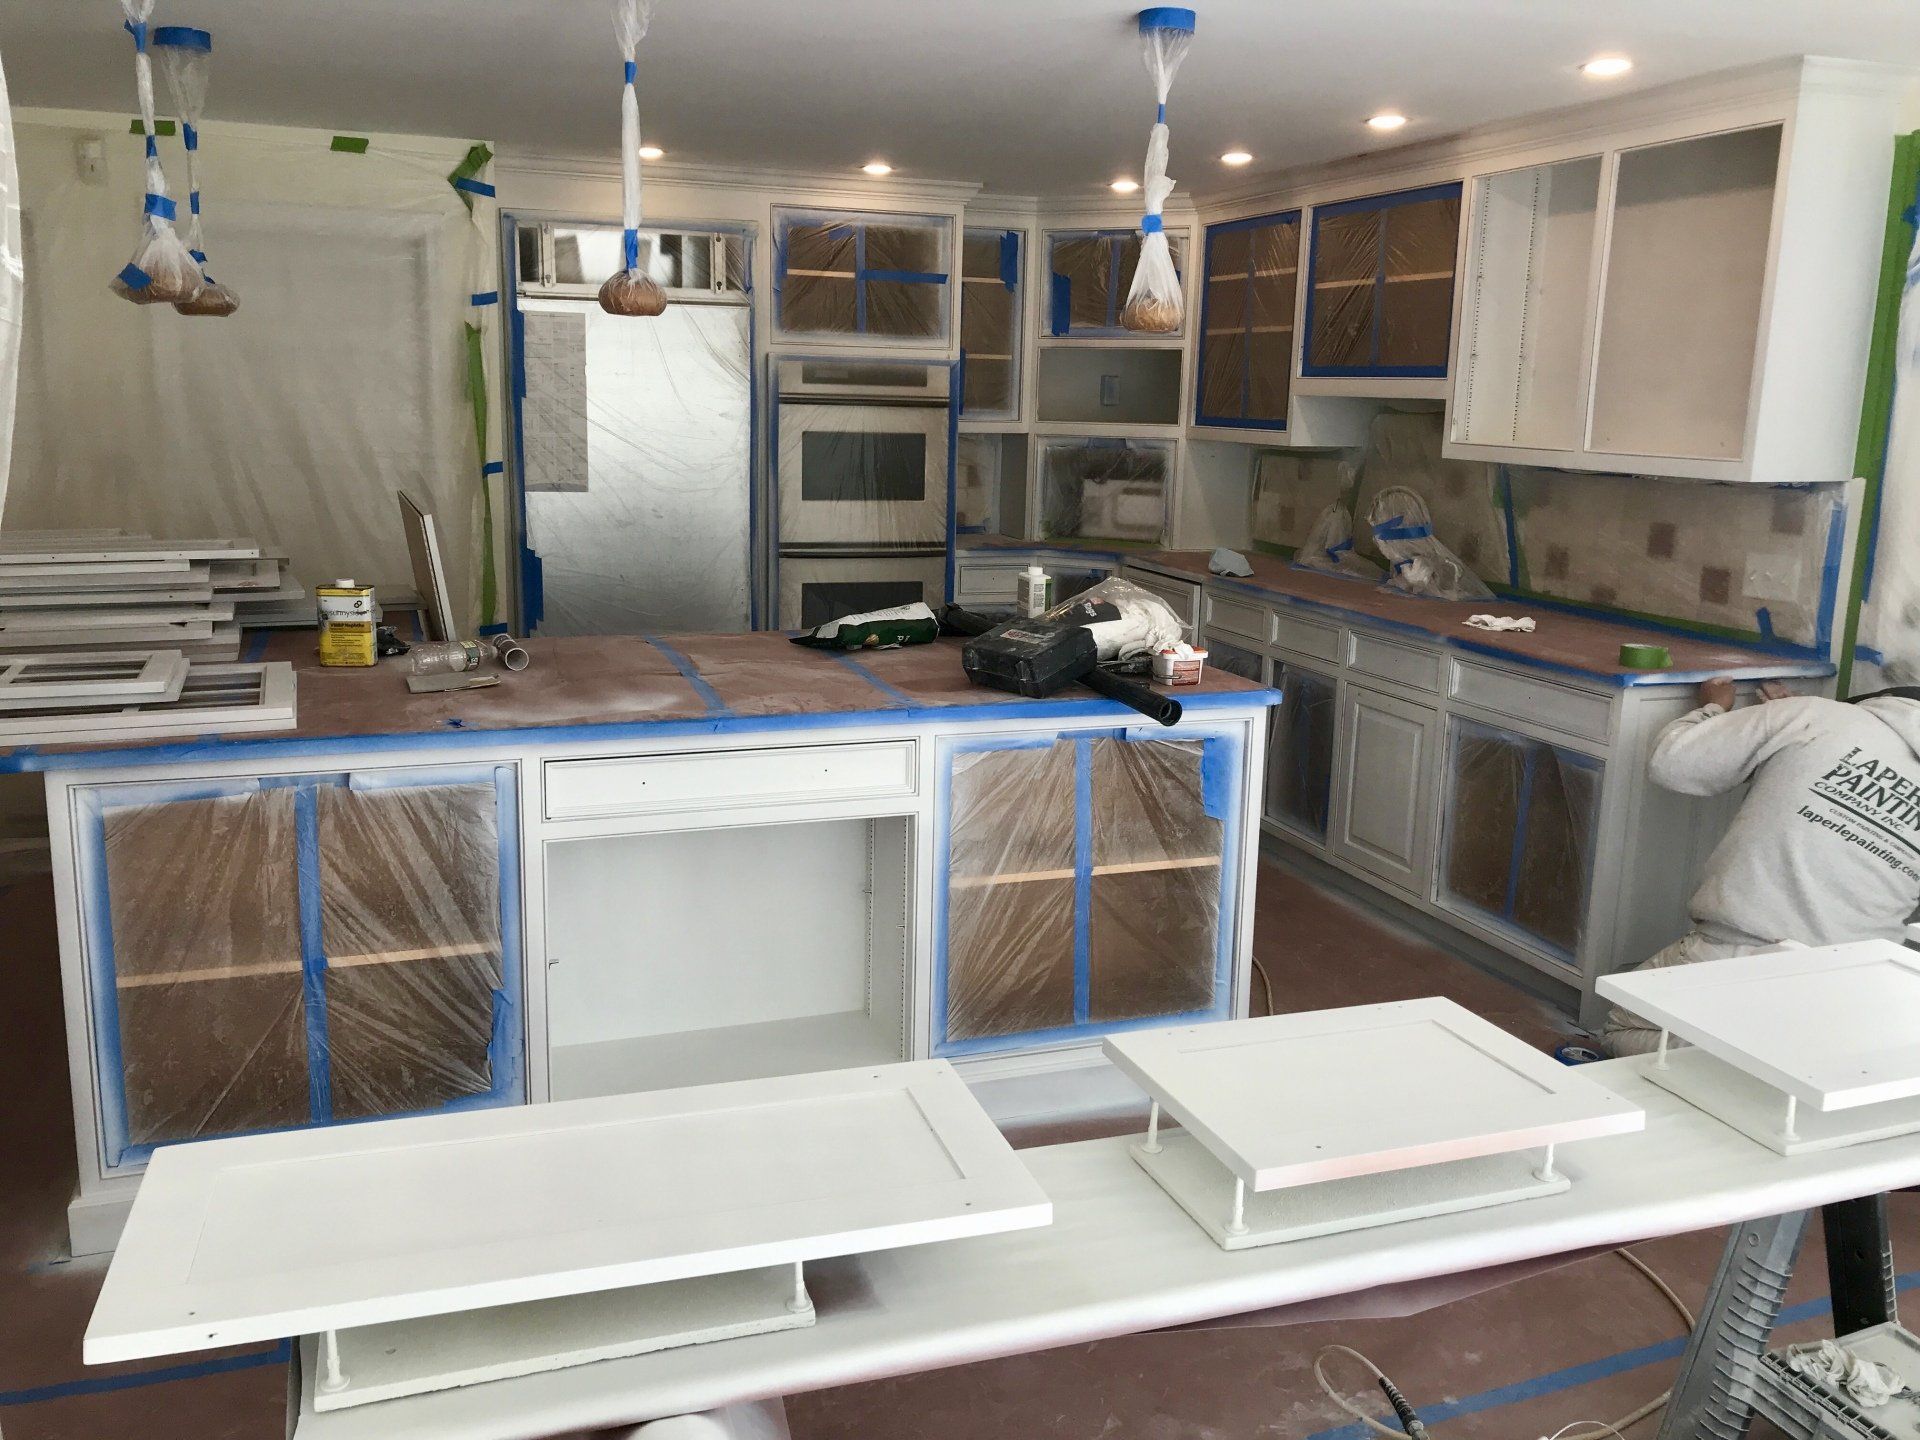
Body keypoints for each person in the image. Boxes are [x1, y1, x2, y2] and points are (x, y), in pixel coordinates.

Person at [1603, 678, 1920, 1056]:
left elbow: (1672, 762)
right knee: (1801, 1052)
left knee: (1622, 1026)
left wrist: (1715, 709)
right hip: (1858, 979)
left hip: (1743, 950)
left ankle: (1741, 1068)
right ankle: (1772, 1063)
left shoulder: (1812, 715)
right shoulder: (1811, 716)